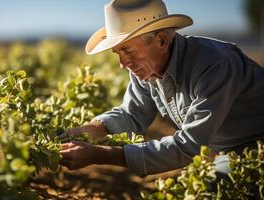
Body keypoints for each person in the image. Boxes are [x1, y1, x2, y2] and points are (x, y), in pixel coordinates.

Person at [59, 0, 264, 181]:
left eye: (128, 49)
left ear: (162, 41)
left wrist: (98, 154)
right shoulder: (146, 67)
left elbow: (187, 147)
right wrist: (88, 130)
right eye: (117, 52)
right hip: (229, 151)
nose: (122, 63)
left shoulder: (215, 65)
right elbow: (132, 113)